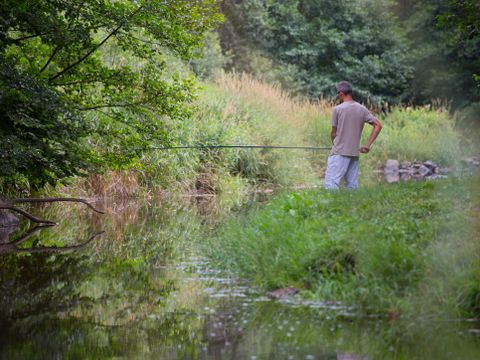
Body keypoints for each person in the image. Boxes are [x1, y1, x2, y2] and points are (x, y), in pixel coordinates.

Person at [324, 81, 382, 189]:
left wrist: (334, 144)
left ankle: (329, 206)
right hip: (354, 154)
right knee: (352, 187)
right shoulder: (362, 109)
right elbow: (378, 125)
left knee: (330, 185)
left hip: (339, 153)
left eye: (338, 94)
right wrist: (367, 145)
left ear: (341, 93)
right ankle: (353, 206)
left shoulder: (337, 109)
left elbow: (333, 133)